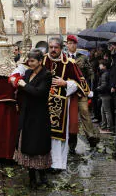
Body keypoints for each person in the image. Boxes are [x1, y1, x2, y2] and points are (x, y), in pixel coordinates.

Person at [43, 37, 87, 169]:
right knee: (44, 133)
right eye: (51, 47)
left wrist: (65, 83)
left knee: (58, 137)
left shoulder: (69, 63)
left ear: (61, 48)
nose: (53, 50)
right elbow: (27, 68)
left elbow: (81, 84)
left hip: (61, 106)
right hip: (43, 104)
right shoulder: (43, 60)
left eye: (56, 47)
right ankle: (44, 163)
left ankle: (58, 163)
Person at [12, 49, 52, 189]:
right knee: (28, 144)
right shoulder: (28, 73)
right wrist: (16, 83)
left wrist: (23, 84)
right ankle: (31, 177)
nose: (30, 63)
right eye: (29, 60)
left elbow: (39, 92)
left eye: (33, 61)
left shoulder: (46, 75)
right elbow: (23, 91)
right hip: (27, 113)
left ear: (40, 61)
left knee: (39, 144)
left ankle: (42, 175)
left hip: (39, 115)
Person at [65, 35, 99, 149]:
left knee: (85, 112)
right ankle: (71, 143)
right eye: (69, 43)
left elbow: (90, 73)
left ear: (76, 45)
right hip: (68, 93)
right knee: (71, 118)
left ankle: (91, 137)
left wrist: (90, 88)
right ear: (66, 45)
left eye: (74, 43)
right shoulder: (63, 58)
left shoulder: (83, 57)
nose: (72, 45)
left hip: (82, 92)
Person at [95, 60, 113, 132]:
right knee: (103, 111)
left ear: (104, 66)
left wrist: (97, 89)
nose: (99, 66)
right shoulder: (104, 73)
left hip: (105, 94)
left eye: (101, 64)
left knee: (106, 111)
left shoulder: (105, 74)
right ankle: (104, 126)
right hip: (104, 94)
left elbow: (104, 85)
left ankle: (109, 127)